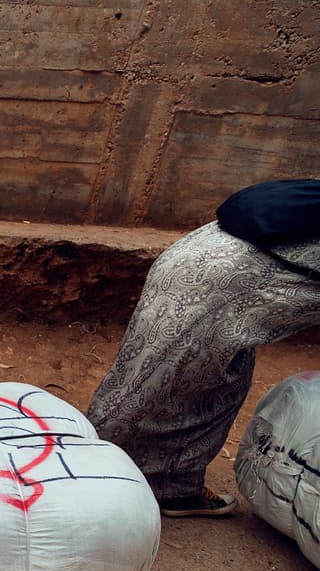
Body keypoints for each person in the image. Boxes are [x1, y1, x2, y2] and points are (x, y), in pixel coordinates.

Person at [87, 195, 320, 517]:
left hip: (216, 266)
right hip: (211, 285)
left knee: (221, 387)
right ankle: (75, 476)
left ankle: (175, 488)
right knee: (144, 390)